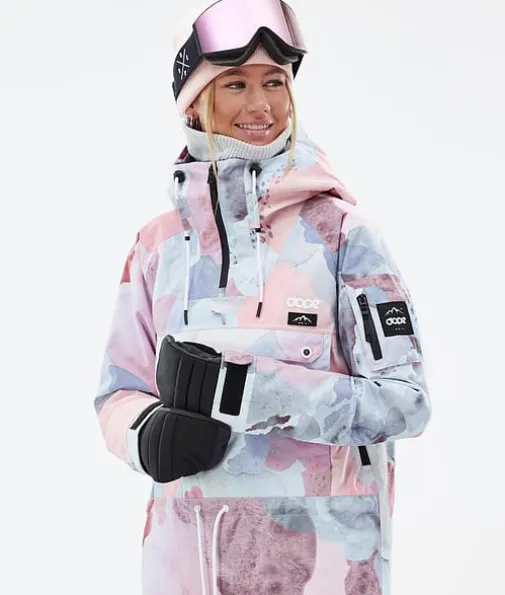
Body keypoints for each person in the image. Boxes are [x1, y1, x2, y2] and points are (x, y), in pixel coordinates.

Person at [94, 1, 432, 593]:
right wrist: (145, 433)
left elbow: (405, 402)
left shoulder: (342, 235)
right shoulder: (157, 247)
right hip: (188, 566)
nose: (261, 105)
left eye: (275, 82)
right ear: (194, 102)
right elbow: (116, 392)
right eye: (236, 84)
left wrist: (248, 391)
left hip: (326, 569)